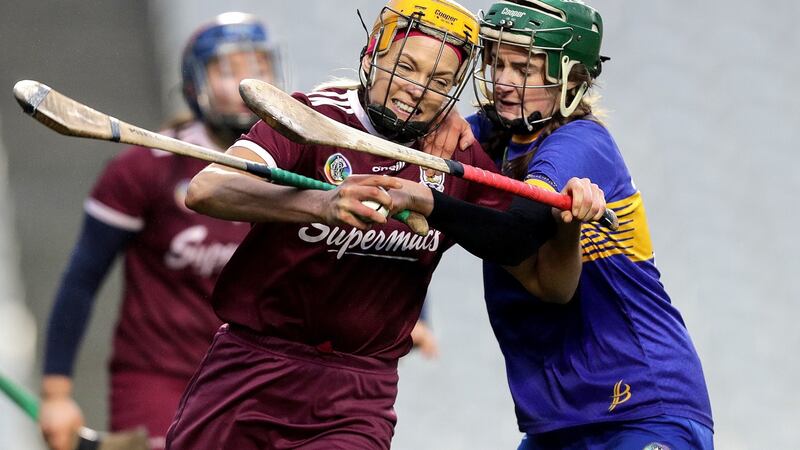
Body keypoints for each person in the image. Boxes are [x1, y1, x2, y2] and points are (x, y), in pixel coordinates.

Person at [165, 1, 606, 448]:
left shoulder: (455, 158)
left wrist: (567, 223)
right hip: (249, 369)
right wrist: (322, 204)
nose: (416, 89)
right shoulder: (312, 116)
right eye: (406, 67)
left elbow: (550, 284)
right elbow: (208, 188)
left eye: (439, 81)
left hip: (356, 396)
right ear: (374, 54)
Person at [457, 0, 714, 448]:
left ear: (571, 76)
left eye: (522, 69)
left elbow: (517, 236)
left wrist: (430, 202)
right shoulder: (488, 135)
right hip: (557, 420)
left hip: (643, 405)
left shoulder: (580, 141)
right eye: (496, 63)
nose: (501, 81)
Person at [38, 12, 281, 450]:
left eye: (259, 67)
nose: (247, 85)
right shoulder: (144, 170)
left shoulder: (294, 169)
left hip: (255, 378)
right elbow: (82, 278)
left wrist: (416, 316)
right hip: (157, 377)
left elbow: (363, 231)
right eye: (227, 70)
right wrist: (56, 393)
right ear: (195, 84)